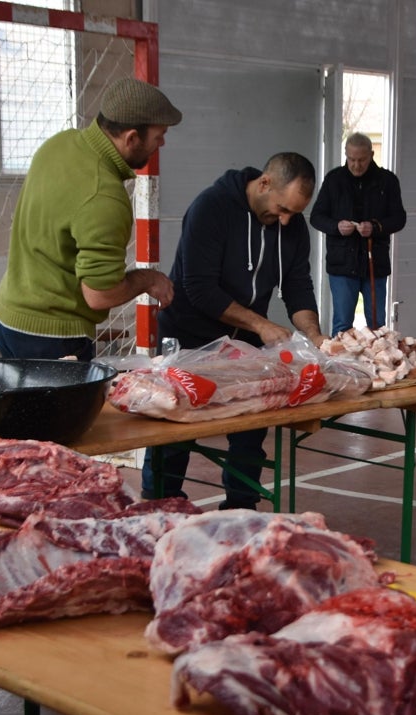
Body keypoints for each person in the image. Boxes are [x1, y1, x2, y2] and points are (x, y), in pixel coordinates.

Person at [143, 152, 328, 509]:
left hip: (243, 341)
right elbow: (199, 288)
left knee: (251, 423)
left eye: (295, 213)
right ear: (264, 183)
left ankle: (240, 506)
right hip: (188, 334)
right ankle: (158, 503)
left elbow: (298, 286)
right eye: (282, 208)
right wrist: (261, 325)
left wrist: (315, 336)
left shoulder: (291, 227)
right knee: (176, 424)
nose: (287, 220)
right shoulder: (211, 208)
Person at [0, 78, 182, 361]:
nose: (162, 143)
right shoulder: (104, 197)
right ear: (131, 138)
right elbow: (99, 295)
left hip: (7, 318)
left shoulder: (59, 144)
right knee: (69, 408)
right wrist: (148, 279)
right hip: (53, 337)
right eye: (159, 136)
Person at [309, 133, 407, 336]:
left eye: (361, 160)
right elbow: (316, 217)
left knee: (377, 327)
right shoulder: (334, 179)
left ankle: (379, 366)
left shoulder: (387, 181)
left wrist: (376, 227)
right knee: (342, 326)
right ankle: (341, 367)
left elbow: (399, 218)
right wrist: (336, 226)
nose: (356, 165)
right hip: (341, 264)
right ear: (345, 154)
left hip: (375, 264)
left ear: (371, 155)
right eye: (351, 159)